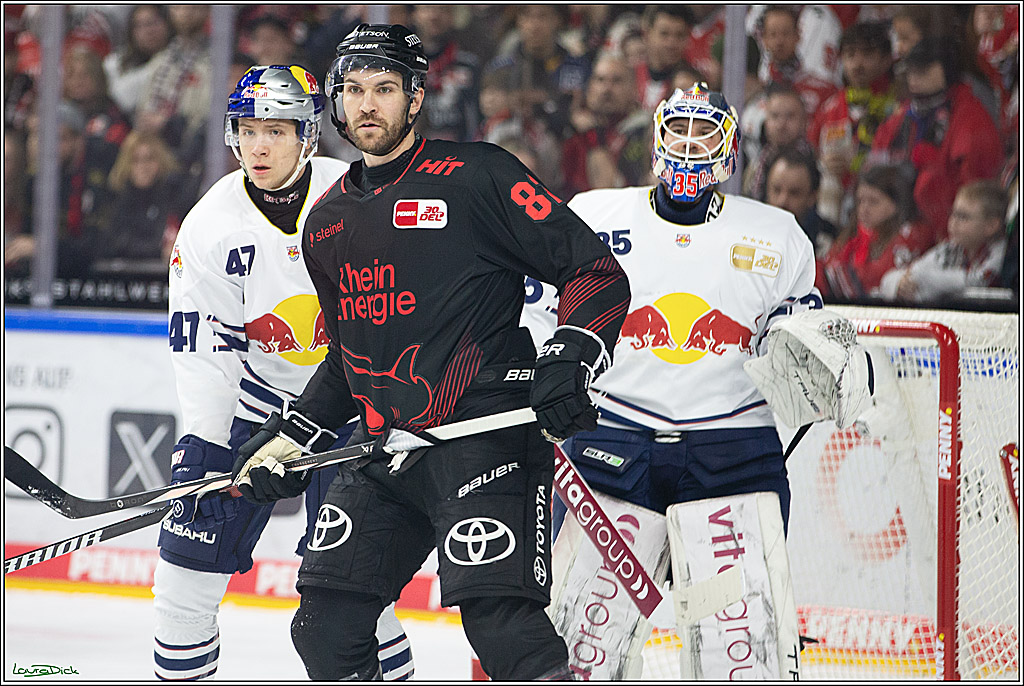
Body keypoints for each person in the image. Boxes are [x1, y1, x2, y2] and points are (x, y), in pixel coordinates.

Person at [229, 24, 630, 681]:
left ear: (415, 98)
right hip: (386, 449)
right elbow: (346, 357)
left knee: (503, 630)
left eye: (384, 89)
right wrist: (291, 434)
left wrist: (571, 354)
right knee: (325, 628)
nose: (367, 105)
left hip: (486, 438)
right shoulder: (326, 225)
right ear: (334, 102)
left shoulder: (477, 175)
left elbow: (592, 272)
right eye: (353, 90)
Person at [152, 64, 413, 681]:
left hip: (352, 412)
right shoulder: (210, 225)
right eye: (246, 128)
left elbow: (402, 315)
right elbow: (202, 346)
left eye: (276, 128)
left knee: (349, 593)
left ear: (308, 134)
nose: (258, 145)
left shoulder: (362, 200)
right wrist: (205, 442)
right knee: (182, 578)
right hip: (255, 407)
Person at [523, 82, 820, 539]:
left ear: (729, 147)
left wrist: (814, 359)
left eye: (703, 131)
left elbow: (797, 332)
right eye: (678, 129)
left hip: (731, 446)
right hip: (609, 431)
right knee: (585, 609)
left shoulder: (778, 234)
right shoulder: (592, 215)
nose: (687, 143)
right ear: (657, 138)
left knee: (739, 608)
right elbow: (540, 308)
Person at [871, 40, 1002, 244]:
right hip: (901, 222)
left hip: (950, 229)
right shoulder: (908, 112)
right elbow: (877, 162)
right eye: (911, 71)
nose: (914, 77)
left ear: (948, 71)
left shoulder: (971, 118)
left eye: (923, 70)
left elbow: (975, 191)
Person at [808, 21, 897, 226]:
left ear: (885, 60)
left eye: (867, 54)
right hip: (834, 211)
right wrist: (824, 164)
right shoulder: (830, 107)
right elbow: (812, 152)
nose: (857, 63)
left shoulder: (897, 106)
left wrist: (861, 165)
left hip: (882, 213)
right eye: (850, 55)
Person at [878, 180, 1009, 303]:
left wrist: (925, 282)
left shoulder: (1002, 254)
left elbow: (978, 282)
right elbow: (903, 274)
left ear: (991, 225)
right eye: (953, 213)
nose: (953, 222)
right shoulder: (950, 248)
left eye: (963, 217)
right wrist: (899, 284)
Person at [819, 163, 928, 300]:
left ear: (896, 205)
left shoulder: (910, 236)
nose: (864, 209)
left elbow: (876, 280)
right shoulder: (853, 236)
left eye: (873, 201)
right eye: (860, 201)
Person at [764, 146, 838, 258]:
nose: (782, 201)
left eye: (794, 193)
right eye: (776, 190)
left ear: (813, 196)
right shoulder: (747, 234)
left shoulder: (827, 242)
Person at [102, 4, 172, 120]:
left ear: (167, 24)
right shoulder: (114, 62)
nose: (149, 31)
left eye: (153, 22)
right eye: (140, 26)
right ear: (131, 31)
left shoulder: (177, 60)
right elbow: (123, 99)